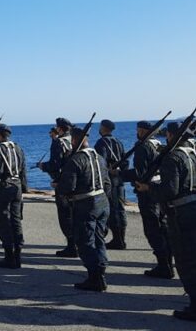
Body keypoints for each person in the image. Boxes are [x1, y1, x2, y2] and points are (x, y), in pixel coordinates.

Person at [137, 122, 196, 322]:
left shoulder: (173, 158)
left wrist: (148, 189)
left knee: (188, 260)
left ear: (171, 135)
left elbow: (169, 191)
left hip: (182, 213)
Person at [57, 126, 111, 292]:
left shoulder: (76, 160)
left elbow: (68, 187)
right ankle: (100, 270)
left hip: (86, 204)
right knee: (99, 238)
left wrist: (60, 189)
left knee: (86, 241)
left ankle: (95, 277)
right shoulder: (99, 157)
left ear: (74, 140)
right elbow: (107, 184)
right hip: (102, 201)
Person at [120, 120, 173, 279]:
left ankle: (164, 265)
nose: (137, 132)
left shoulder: (143, 147)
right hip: (159, 188)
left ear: (142, 131)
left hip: (147, 191)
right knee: (162, 227)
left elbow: (139, 172)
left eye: (139, 130)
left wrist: (119, 174)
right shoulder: (158, 144)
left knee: (153, 229)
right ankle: (167, 262)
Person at [0, 123, 28, 268]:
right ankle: (18, 254)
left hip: (4, 187)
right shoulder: (17, 147)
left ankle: (9, 256)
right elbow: (23, 169)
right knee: (16, 220)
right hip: (17, 186)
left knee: (3, 221)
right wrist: (24, 188)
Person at [37, 117, 76, 257]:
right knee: (75, 214)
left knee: (65, 216)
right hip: (76, 182)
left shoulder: (58, 142)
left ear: (60, 128)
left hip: (62, 182)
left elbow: (55, 164)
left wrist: (43, 167)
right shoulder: (74, 139)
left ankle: (72, 246)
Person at [94, 119, 128, 249]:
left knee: (112, 210)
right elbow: (125, 162)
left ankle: (117, 240)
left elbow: (100, 162)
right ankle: (121, 238)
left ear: (103, 128)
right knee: (120, 209)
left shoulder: (101, 143)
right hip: (119, 180)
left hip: (109, 180)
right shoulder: (118, 142)